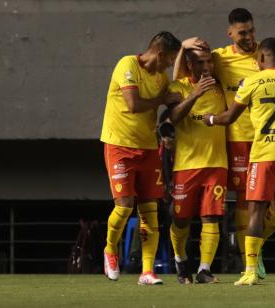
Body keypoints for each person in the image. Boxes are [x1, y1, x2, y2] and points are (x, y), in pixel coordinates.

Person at [173, 8, 275, 277]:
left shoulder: (269, 55)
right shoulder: (217, 59)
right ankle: (251, 257)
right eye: (242, 32)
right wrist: (182, 48)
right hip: (236, 139)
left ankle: (253, 245)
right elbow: (182, 76)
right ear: (230, 33)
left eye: (251, 30)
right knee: (244, 201)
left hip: (269, 139)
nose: (249, 37)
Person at [204, 37, 275, 286]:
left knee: (255, 211)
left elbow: (229, 117)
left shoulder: (252, 81)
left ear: (261, 58)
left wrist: (209, 120)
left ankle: (250, 270)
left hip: (264, 155)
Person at [100, 31, 183, 285]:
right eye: (169, 59)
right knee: (124, 205)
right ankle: (110, 250)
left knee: (150, 212)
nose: (169, 65)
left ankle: (147, 272)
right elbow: (133, 105)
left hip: (147, 148)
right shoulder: (127, 65)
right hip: (119, 145)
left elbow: (174, 91)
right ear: (159, 53)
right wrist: (162, 99)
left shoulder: (160, 76)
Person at [167, 46, 228, 284]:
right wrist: (194, 94)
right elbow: (173, 118)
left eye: (209, 62)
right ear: (189, 65)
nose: (206, 67)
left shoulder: (219, 87)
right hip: (186, 164)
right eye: (200, 63)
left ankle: (204, 269)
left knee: (211, 217)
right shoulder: (178, 87)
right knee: (181, 219)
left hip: (216, 163)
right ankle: (181, 262)